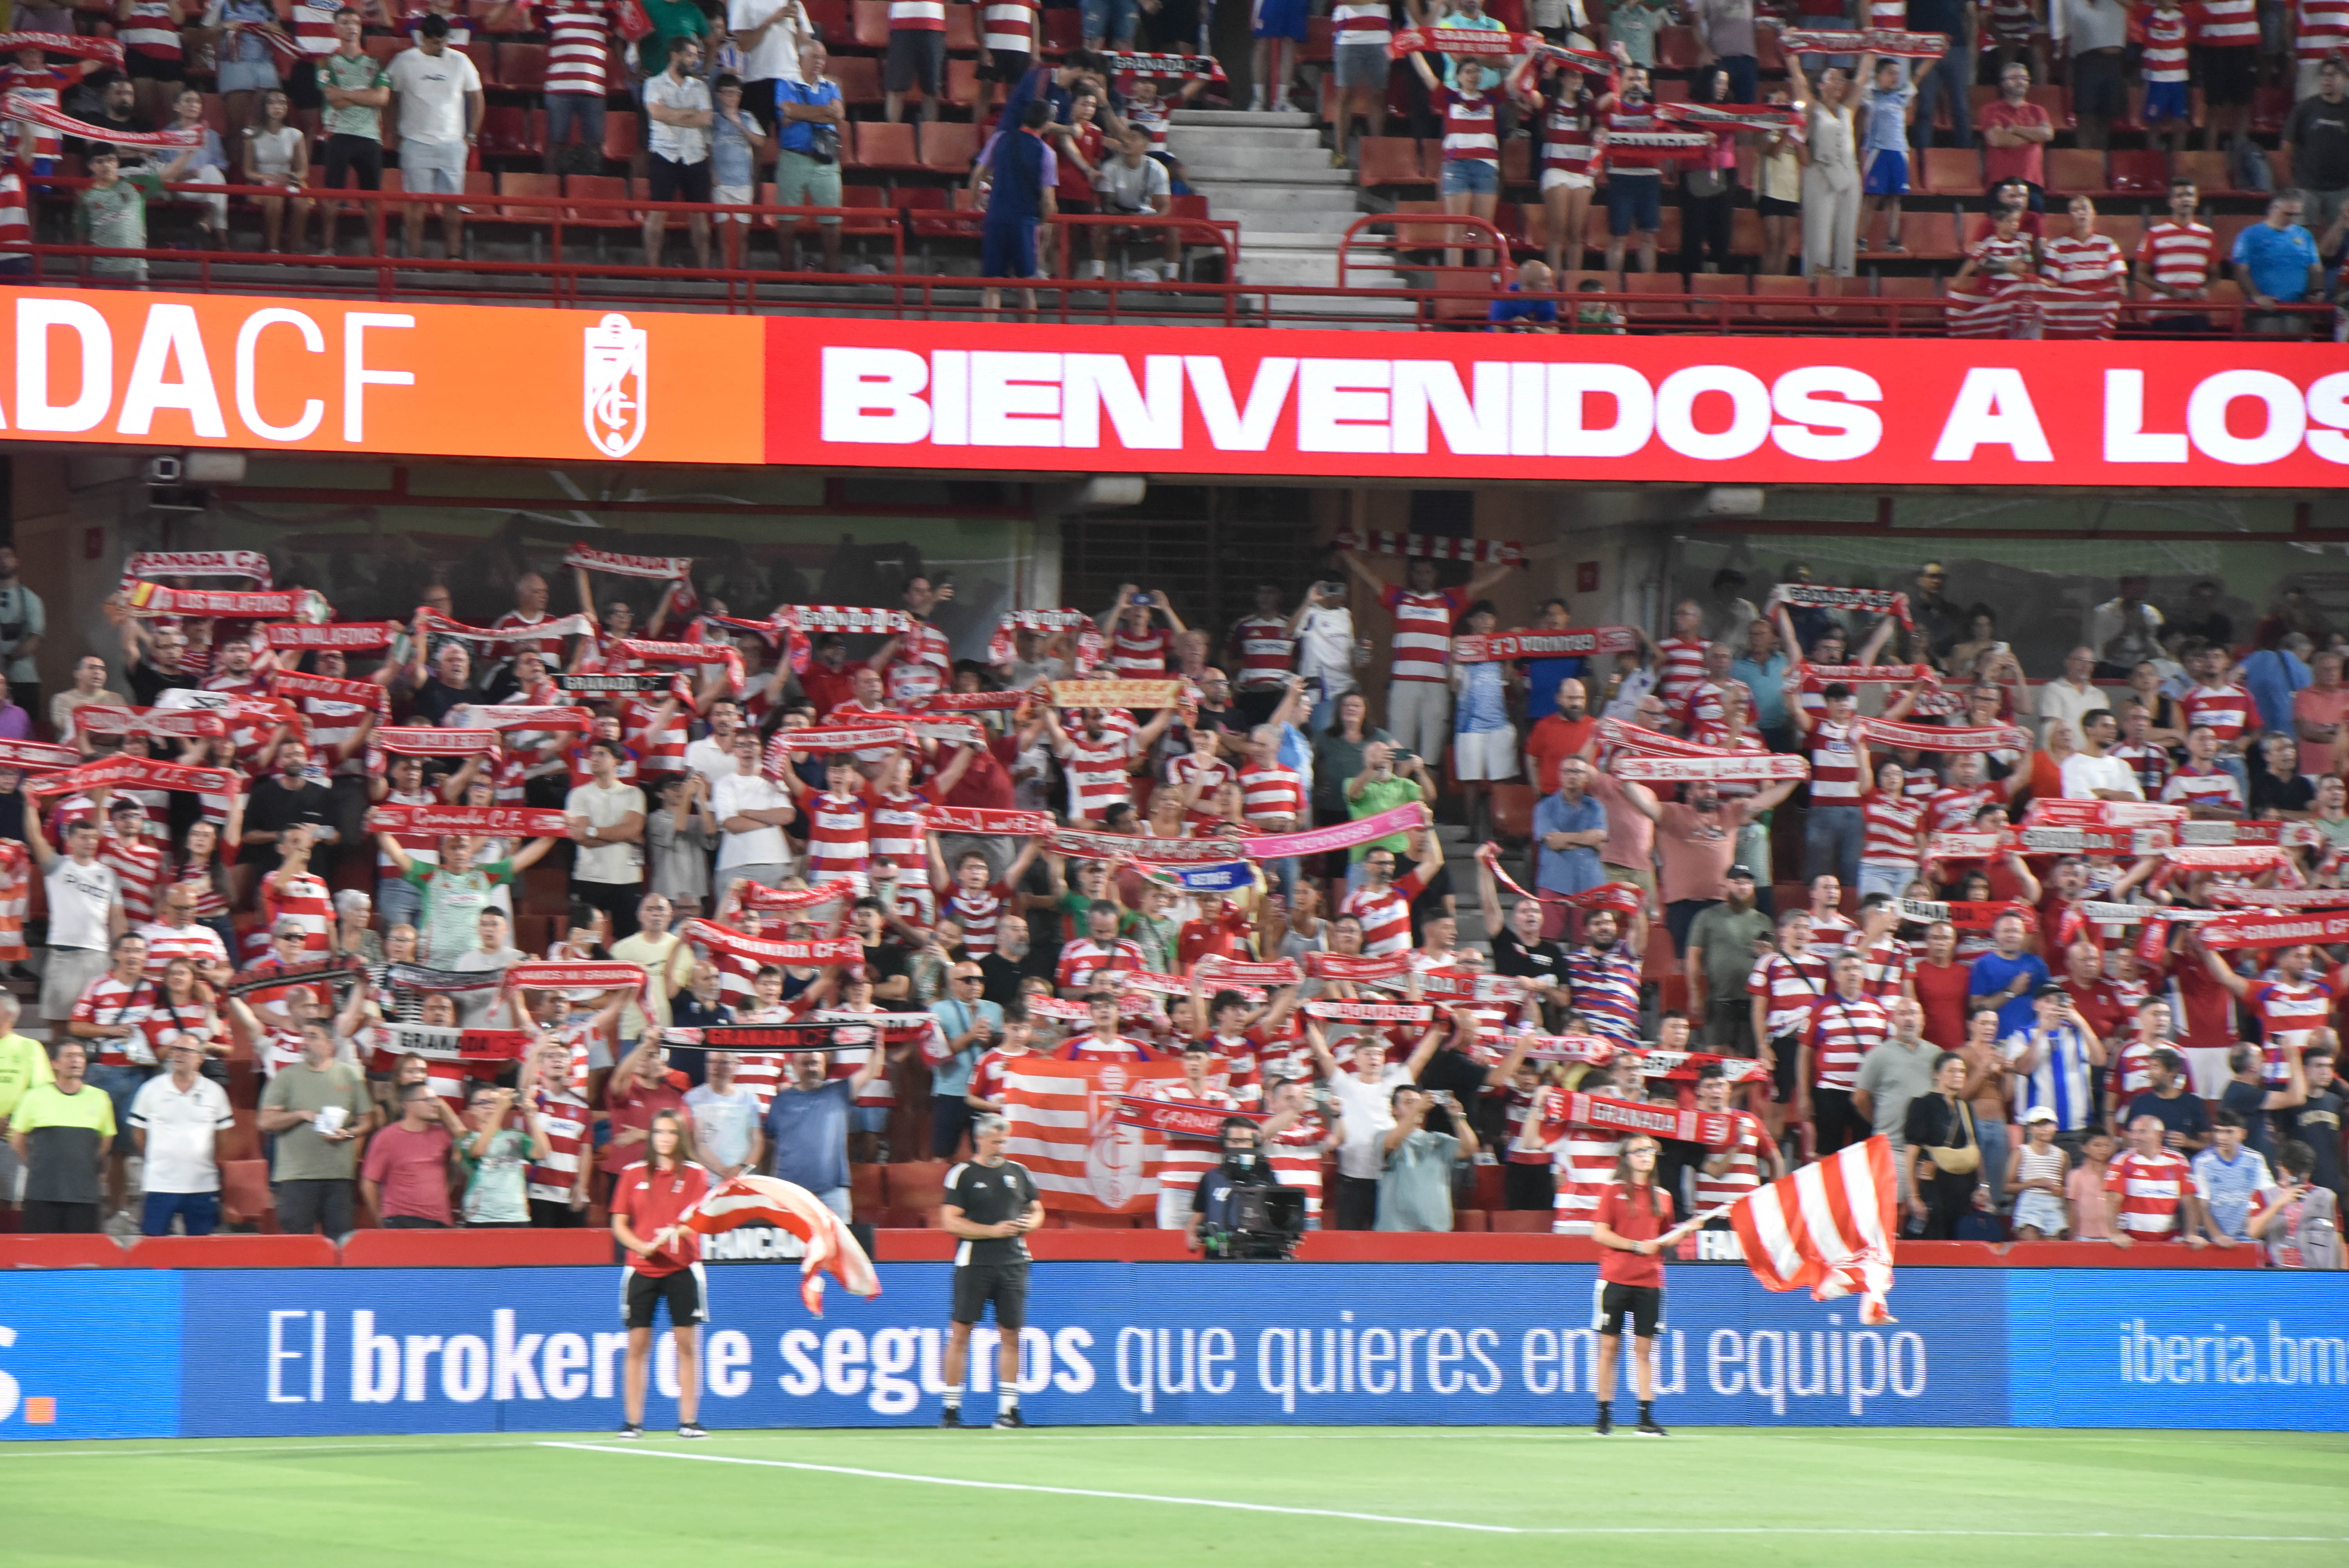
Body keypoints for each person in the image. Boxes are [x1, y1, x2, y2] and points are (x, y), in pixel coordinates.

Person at [610, 1108, 711, 1439]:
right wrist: (640, 1246)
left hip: (683, 1268)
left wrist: (672, 1235)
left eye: (670, 1132)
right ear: (651, 1137)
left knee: (687, 1345)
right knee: (637, 1344)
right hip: (641, 1270)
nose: (664, 1139)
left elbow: (698, 1222)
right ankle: (633, 1422)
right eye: (659, 1132)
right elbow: (619, 1225)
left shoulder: (696, 1174)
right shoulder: (632, 1173)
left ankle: (688, 1421)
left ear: (680, 1137)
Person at [939, 1111, 1044, 1428]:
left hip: (1014, 1261)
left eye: (1004, 1141)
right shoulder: (962, 1174)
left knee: (1011, 1333)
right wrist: (991, 1231)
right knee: (961, 1333)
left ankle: (1009, 1410)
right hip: (974, 1262)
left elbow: (1038, 1210)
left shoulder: (1020, 1172)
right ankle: (951, 1410)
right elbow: (950, 1221)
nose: (1001, 1147)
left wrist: (1030, 1224)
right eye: (996, 1141)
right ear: (980, 1138)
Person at [1590, 1133, 1698, 1436]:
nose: (1645, 1155)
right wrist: (1637, 1246)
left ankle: (1645, 1417)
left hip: (1651, 1282)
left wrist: (1688, 1230)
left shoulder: (1662, 1196)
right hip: (1615, 1279)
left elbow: (1663, 1240)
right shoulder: (1612, 1192)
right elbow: (1600, 1233)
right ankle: (1604, 1415)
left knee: (1644, 1350)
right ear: (1626, 1158)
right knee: (1608, 1348)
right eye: (1638, 1151)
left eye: (1649, 1151)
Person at [256, 1019, 375, 1235]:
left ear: (330, 1045)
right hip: (296, 1178)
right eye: (304, 1036)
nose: (305, 1042)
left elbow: (367, 1121)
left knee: (341, 1242)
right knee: (298, 1245)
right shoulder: (286, 1077)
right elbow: (265, 1122)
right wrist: (301, 1115)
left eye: (313, 1036)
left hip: (339, 1177)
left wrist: (348, 1133)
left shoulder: (350, 1076)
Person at [385, 14, 483, 259]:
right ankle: (414, 258)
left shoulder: (460, 61)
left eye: (444, 42)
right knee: (415, 204)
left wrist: (471, 135)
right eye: (436, 42)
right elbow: (389, 98)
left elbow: (477, 98)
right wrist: (392, 131)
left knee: (452, 204)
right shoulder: (404, 61)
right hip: (416, 142)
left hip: (452, 143)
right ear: (423, 38)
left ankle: (454, 256)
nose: (442, 47)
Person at [763, 1044, 885, 1221]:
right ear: (795, 1068)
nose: (812, 1068)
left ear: (824, 1065)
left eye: (816, 1063)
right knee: (794, 1246)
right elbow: (771, 1144)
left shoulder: (839, 1092)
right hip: (790, 1193)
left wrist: (878, 1044)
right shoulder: (781, 1101)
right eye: (806, 1064)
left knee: (838, 1246)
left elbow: (872, 1071)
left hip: (832, 1193)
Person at [127, 1033, 233, 1236]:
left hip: (202, 1185)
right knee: (154, 1250)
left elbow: (223, 1137)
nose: (179, 1055)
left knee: (201, 1252)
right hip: (160, 1184)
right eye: (175, 1049)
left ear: (200, 1058)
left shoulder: (215, 1092)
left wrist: (205, 1159)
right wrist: (159, 1156)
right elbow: (139, 1133)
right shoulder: (152, 1089)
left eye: (186, 1051)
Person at [9, 1041, 113, 1233]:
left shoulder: (101, 1098)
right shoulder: (34, 1097)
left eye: (81, 1056)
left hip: (85, 1195)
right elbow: (18, 1141)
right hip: (42, 1193)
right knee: (39, 1258)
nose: (76, 1061)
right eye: (69, 1055)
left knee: (83, 1259)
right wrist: (39, 1166)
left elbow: (106, 1142)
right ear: (54, 1063)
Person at [979, 98, 1059, 321]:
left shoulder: (1000, 139)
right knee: (1026, 285)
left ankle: (986, 341)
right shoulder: (1046, 153)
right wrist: (1044, 226)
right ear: (1046, 124)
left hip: (996, 219)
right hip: (1024, 222)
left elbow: (978, 174)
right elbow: (1049, 201)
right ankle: (1029, 342)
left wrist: (978, 203)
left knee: (992, 286)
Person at [643, 34, 715, 269]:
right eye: (690, 55)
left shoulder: (700, 87)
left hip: (695, 156)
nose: (695, 61)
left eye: (696, 56)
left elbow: (705, 118)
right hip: (664, 155)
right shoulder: (653, 84)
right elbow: (657, 114)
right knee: (657, 216)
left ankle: (704, 272)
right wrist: (688, 115)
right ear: (675, 56)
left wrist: (672, 115)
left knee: (700, 219)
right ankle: (652, 272)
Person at [361, 1080, 464, 1228]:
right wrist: (381, 1220)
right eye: (427, 1100)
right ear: (407, 1104)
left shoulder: (443, 1135)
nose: (435, 1104)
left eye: (435, 1100)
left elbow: (460, 1158)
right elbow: (368, 1184)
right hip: (402, 1220)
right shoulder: (386, 1138)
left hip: (441, 1221)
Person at [1902, 1050, 1982, 1238]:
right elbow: (1911, 1154)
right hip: (1934, 1188)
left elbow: (1975, 1149)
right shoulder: (1922, 1105)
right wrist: (1914, 1197)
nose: (1958, 1076)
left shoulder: (1966, 1107)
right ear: (1937, 1074)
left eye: (1962, 1072)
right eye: (1952, 1071)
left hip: (1964, 1189)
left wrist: (1983, 1186)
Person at [1377, 1083, 1475, 1231]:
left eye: (1419, 1102)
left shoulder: (1439, 1140)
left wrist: (1458, 1118)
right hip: (1396, 1231)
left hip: (1436, 1231)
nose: (1417, 1106)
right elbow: (1391, 1144)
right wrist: (1417, 1109)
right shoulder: (1382, 1136)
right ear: (1394, 1110)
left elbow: (1469, 1149)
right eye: (1409, 1102)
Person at [2106, 1111, 2203, 1247]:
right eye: (2133, 1132)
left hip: (2169, 1242)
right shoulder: (2122, 1161)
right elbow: (2112, 1201)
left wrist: (2191, 1233)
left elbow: (2189, 1202)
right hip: (2131, 1244)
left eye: (2142, 1132)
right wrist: (2115, 1234)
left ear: (2159, 1135)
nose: (2135, 1137)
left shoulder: (2178, 1161)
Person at [2007, 1105, 2071, 1238]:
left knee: (2054, 1248)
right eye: (2038, 1125)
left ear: (2056, 1127)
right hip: (2029, 1203)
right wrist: (2032, 1184)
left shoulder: (2062, 1155)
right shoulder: (2021, 1152)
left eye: (2048, 1125)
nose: (2044, 1130)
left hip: (2054, 1204)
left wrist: (2061, 1191)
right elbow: (2007, 1186)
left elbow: (2067, 1188)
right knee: (2030, 1244)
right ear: (2030, 1129)